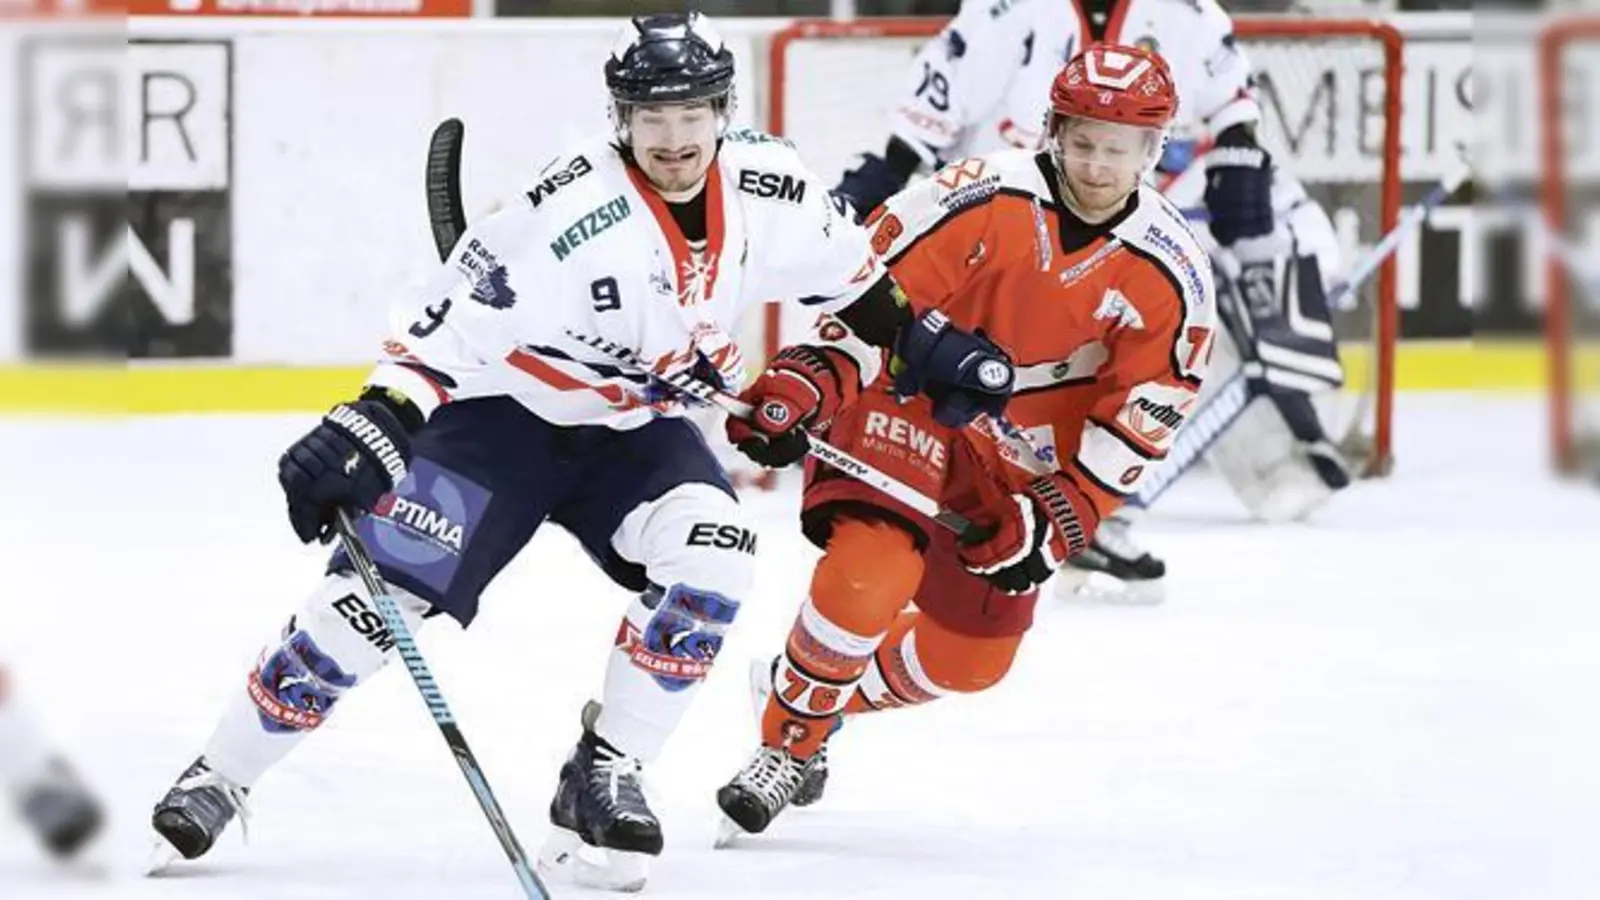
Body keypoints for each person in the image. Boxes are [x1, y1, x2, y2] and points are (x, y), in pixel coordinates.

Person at [146, 12, 1013, 892]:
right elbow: (440, 333)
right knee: (369, 612)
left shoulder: (771, 184)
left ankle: (604, 771)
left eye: (691, 113)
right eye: (650, 116)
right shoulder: (560, 209)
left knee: (714, 555)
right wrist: (371, 423)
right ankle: (220, 773)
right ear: (619, 118)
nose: (673, 138)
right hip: (501, 425)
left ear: (723, 110)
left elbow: (857, 284)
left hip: (632, 434)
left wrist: (924, 343)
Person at [714, 43, 1216, 837]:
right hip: (908, 398)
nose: (1095, 165)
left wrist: (1064, 510)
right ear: (1053, 130)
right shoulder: (977, 195)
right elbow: (867, 299)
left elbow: (1144, 411)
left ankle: (814, 691)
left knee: (970, 659)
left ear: (1153, 151)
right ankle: (788, 744)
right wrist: (815, 377)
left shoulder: (1172, 270)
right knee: (872, 569)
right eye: (1082, 141)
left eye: (1117, 149)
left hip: (1016, 458)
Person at [833, 0, 1356, 602]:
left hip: (1126, 223)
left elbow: (1231, 98)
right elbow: (938, 97)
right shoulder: (1008, 11)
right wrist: (889, 166)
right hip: (1010, 228)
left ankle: (1087, 515)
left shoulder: (1188, 14)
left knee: (1156, 350)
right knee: (979, 372)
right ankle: (943, 490)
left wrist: (1239, 155)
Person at [0, 665, 103, 860]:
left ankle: (74, 825)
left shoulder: (21, 711)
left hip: (49, 773)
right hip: (31, 789)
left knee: (78, 808)